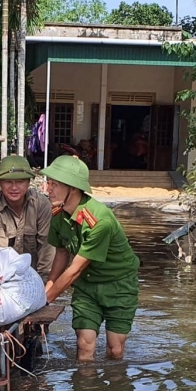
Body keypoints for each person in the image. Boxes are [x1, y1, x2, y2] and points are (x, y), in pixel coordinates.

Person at [42, 155, 140, 361]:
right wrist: (46, 289)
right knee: (84, 345)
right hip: (87, 287)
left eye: (55, 185)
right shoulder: (58, 214)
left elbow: (74, 270)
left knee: (115, 350)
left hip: (119, 285)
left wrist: (46, 300)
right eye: (48, 183)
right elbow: (61, 252)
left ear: (74, 188)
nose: (47, 189)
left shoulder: (99, 221)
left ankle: (113, 390)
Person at [0, 155, 56, 277]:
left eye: (20, 181)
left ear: (28, 183)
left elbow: (46, 249)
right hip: (7, 274)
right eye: (8, 182)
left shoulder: (41, 205)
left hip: (37, 273)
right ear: (0, 183)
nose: (14, 187)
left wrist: (43, 284)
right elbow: (1, 255)